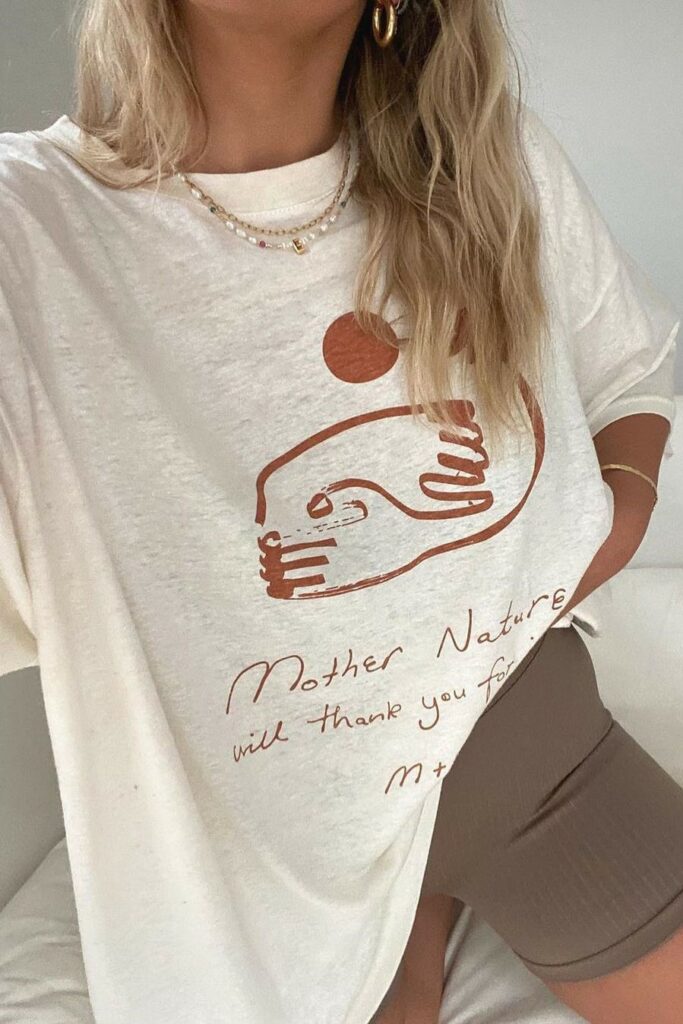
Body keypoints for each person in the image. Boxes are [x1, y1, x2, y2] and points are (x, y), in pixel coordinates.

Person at [0, 1, 681, 1022]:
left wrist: (611, 522)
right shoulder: (28, 225)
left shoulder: (487, 164)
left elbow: (629, 367)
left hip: (525, 756)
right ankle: (411, 910)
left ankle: (425, 899)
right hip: (269, 862)